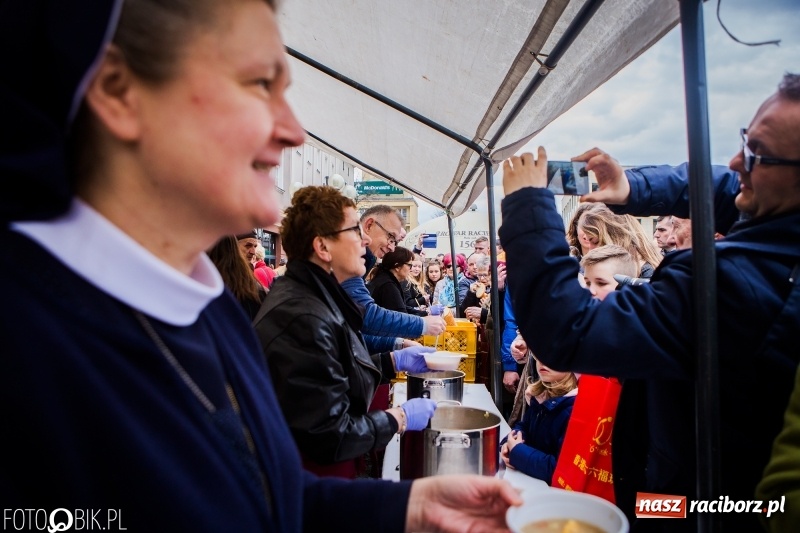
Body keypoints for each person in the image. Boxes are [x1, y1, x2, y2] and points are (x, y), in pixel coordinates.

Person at [0, 0, 521, 530]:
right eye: (257, 84)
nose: (294, 130)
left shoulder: (209, 309)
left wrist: (404, 508)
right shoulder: (24, 350)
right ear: (119, 92)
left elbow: (268, 496)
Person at [500, 73, 800, 531]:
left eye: (757, 152)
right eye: (744, 140)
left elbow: (564, 330)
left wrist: (527, 205)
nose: (738, 160)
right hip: (695, 488)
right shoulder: (779, 232)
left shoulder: (728, 284)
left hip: (697, 506)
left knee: (646, 513)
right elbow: (721, 187)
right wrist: (632, 188)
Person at [253, 187, 436, 478]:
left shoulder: (319, 298)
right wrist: (398, 418)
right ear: (323, 248)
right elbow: (330, 436)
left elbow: (332, 374)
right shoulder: (303, 317)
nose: (365, 239)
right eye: (354, 231)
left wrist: (391, 361)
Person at [500, 357, 578, 482]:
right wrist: (508, 444)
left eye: (552, 354)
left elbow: (559, 468)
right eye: (538, 354)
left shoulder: (575, 411)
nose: (542, 360)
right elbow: (524, 426)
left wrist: (518, 451)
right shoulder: (541, 394)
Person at [207, 235, 267, 320]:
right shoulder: (219, 279)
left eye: (255, 246)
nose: (253, 252)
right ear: (234, 247)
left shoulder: (250, 282)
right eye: (248, 245)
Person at [366, 246, 420, 315]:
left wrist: (424, 313)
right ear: (397, 267)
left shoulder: (384, 278)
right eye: (409, 265)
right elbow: (402, 316)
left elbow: (401, 306)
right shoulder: (388, 286)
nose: (411, 269)